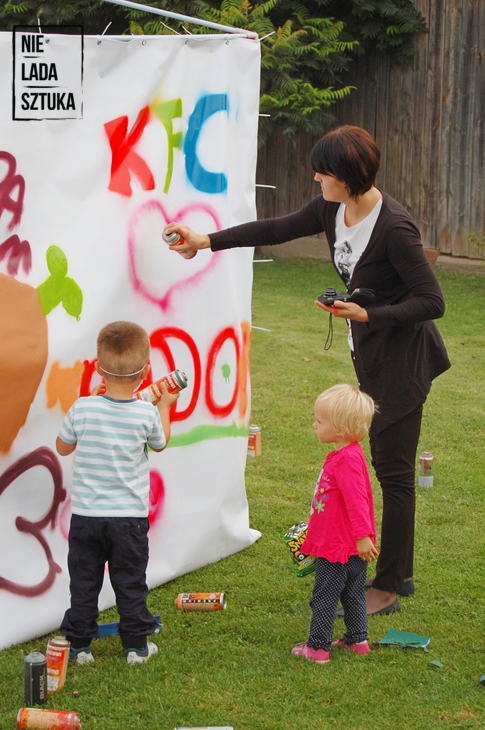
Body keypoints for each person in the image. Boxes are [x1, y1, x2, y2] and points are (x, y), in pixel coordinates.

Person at [164, 125, 451, 615]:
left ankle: (388, 584)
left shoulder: (394, 228)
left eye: (325, 171)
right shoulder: (331, 209)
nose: (317, 176)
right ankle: (397, 575)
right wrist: (206, 241)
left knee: (394, 473)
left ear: (349, 176)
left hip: (403, 363)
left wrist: (368, 314)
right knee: (387, 466)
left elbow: (433, 301)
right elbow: (275, 229)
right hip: (373, 355)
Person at [56, 321, 179, 664]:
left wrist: (88, 413)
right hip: (129, 520)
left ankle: (80, 647)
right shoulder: (146, 413)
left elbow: (62, 447)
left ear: (98, 369)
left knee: (84, 581)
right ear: (148, 372)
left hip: (86, 519)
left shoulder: (82, 407)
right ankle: (135, 647)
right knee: (129, 581)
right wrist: (165, 405)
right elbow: (160, 443)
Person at [292, 384, 378, 664]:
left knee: (326, 595)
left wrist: (363, 536)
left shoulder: (347, 460)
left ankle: (317, 647)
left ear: (340, 429)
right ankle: (357, 639)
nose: (314, 425)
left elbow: (357, 500)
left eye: (320, 421)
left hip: (338, 546)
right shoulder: (348, 454)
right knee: (353, 592)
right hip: (349, 544)